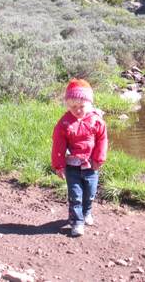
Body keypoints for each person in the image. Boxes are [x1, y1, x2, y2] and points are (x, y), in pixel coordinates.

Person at [51, 79, 108, 237]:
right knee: (75, 195)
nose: (77, 110)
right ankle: (77, 222)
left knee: (89, 193)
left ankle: (86, 211)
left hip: (91, 165)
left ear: (90, 103)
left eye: (82, 106)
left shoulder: (96, 120)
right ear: (68, 105)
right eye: (73, 107)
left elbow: (102, 140)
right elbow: (58, 145)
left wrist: (99, 159)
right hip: (72, 166)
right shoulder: (64, 124)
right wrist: (59, 165)